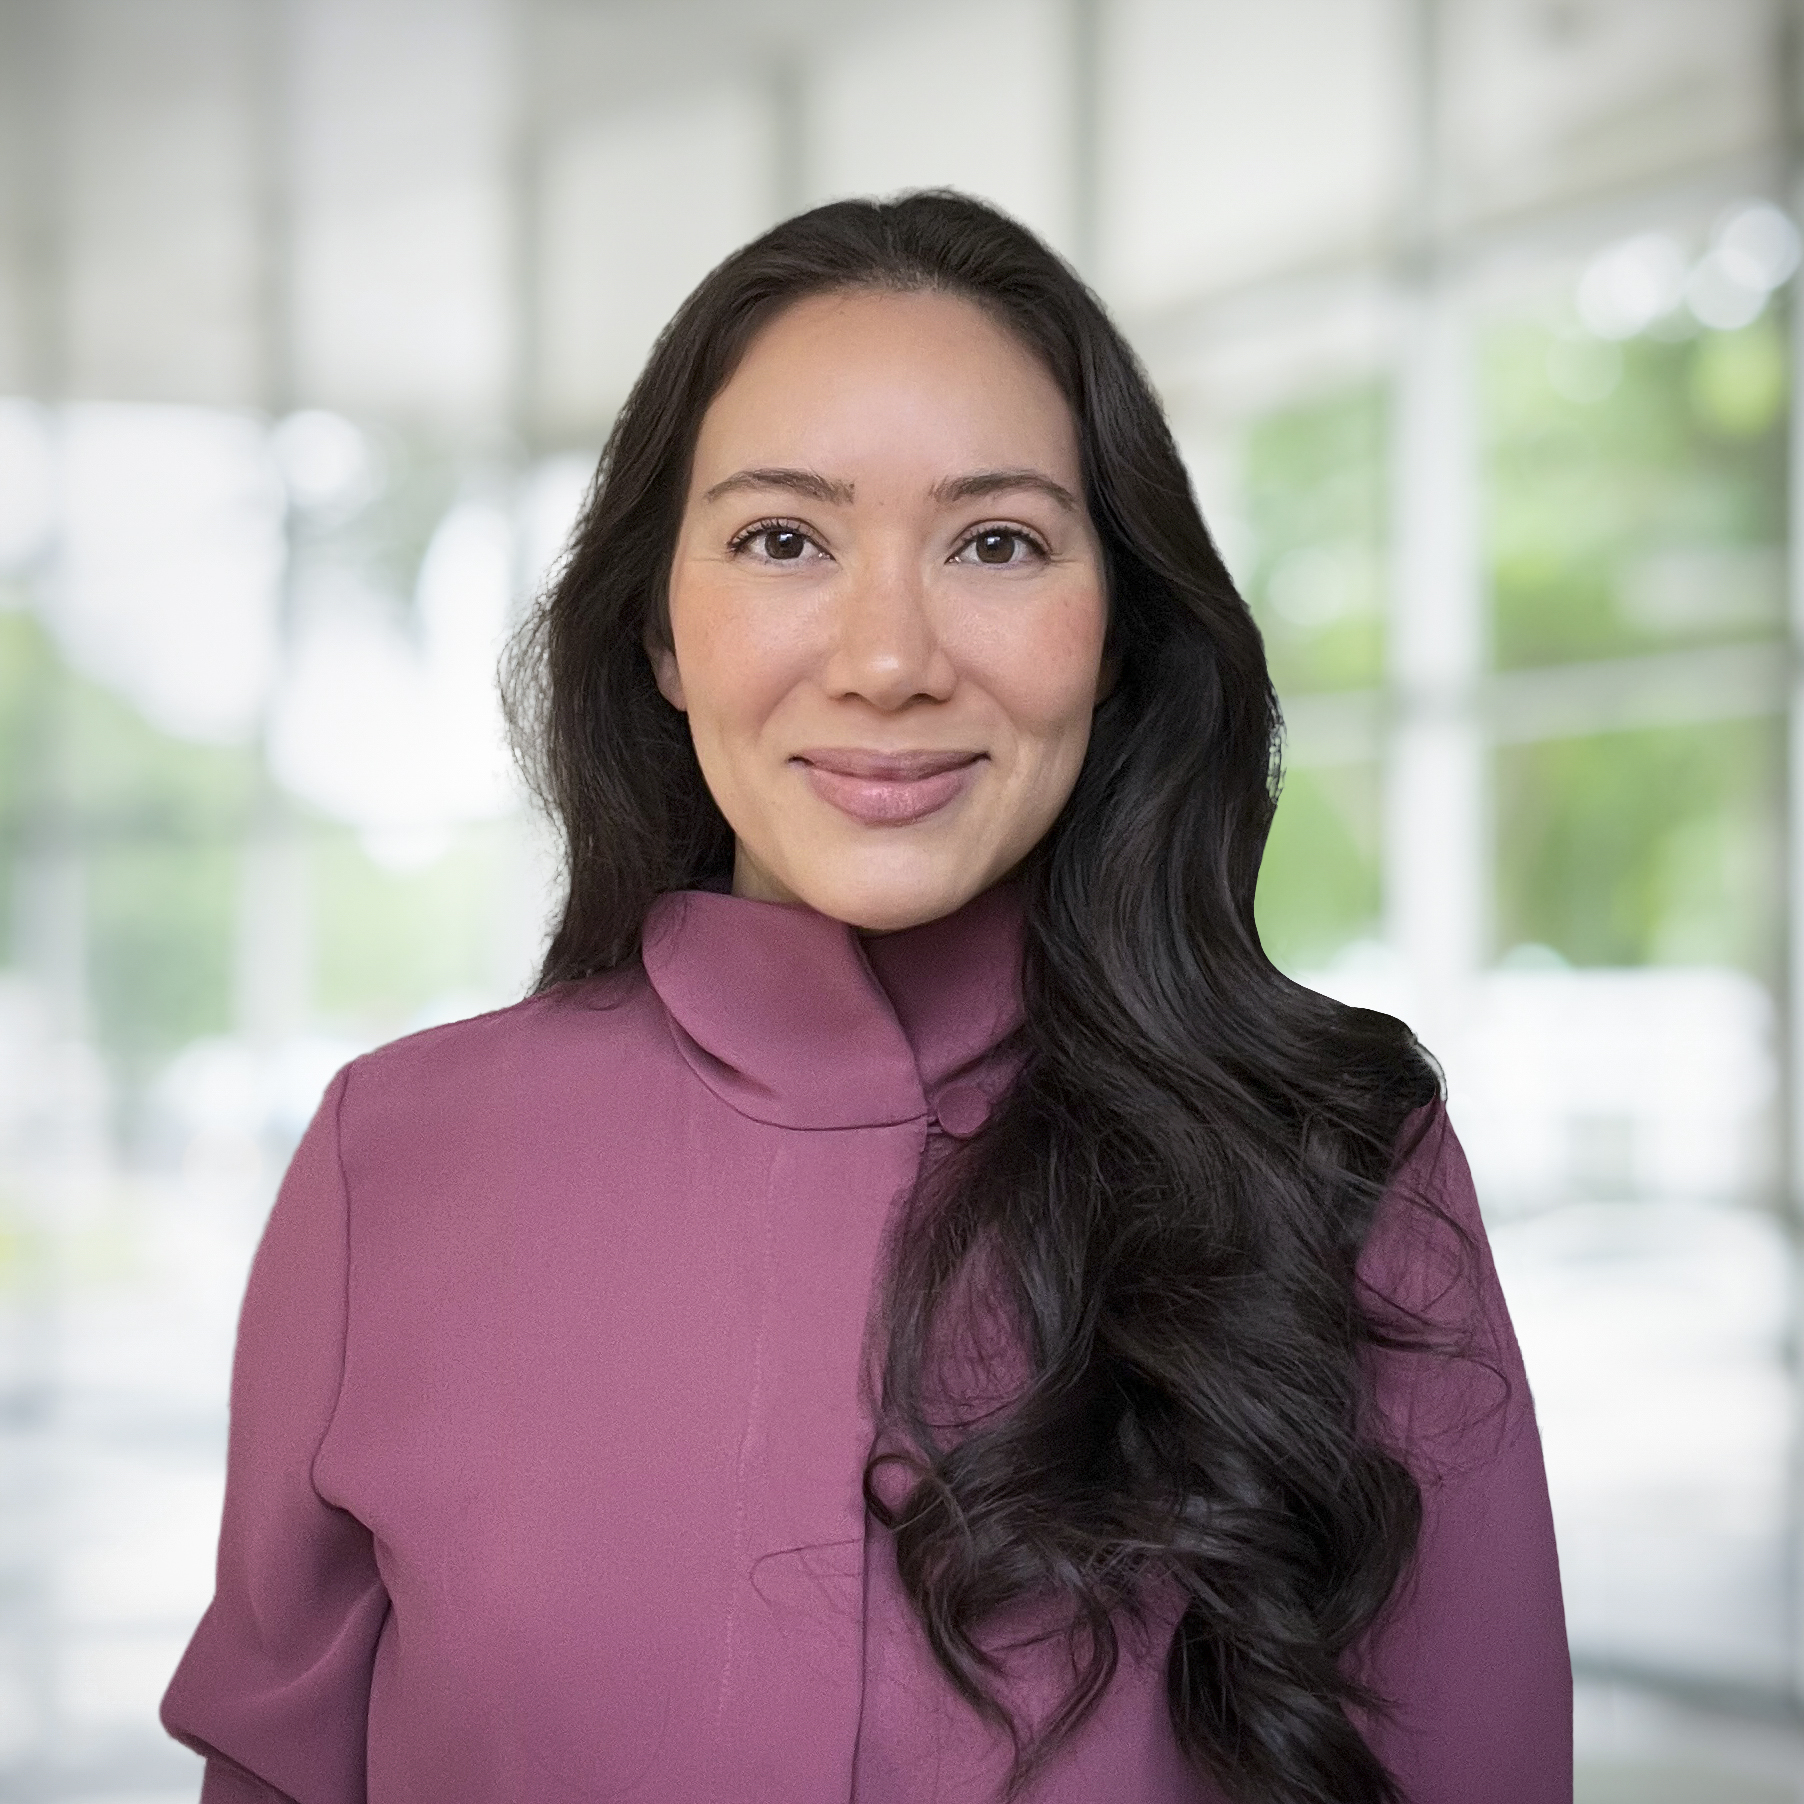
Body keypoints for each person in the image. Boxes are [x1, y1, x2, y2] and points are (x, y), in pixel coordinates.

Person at [161, 191, 1570, 1804]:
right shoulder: (396, 1159)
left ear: (1116, 632)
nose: (889, 660)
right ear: (661, 631)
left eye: (997, 542)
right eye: (783, 540)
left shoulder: (1339, 1160)